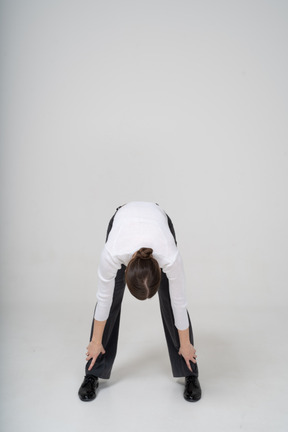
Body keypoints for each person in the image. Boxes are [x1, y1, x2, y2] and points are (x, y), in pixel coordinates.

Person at [78, 201, 201, 402]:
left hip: (158, 220)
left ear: (160, 271)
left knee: (171, 299)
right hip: (123, 220)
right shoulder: (113, 253)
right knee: (109, 299)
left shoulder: (169, 257)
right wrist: (95, 341)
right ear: (125, 270)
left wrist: (186, 344)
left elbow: (179, 303)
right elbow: (103, 301)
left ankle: (190, 372)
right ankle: (93, 372)